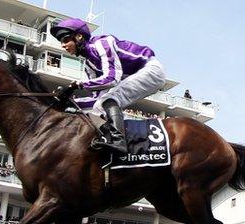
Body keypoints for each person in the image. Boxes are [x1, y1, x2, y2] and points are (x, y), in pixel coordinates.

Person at [50, 18, 166, 154]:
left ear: (79, 36)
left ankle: (120, 142)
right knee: (99, 106)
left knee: (108, 100)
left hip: (151, 69)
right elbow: (97, 97)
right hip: (134, 75)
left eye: (65, 40)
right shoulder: (89, 65)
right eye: (61, 42)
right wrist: (71, 103)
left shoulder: (102, 44)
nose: (63, 45)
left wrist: (77, 85)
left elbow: (112, 79)